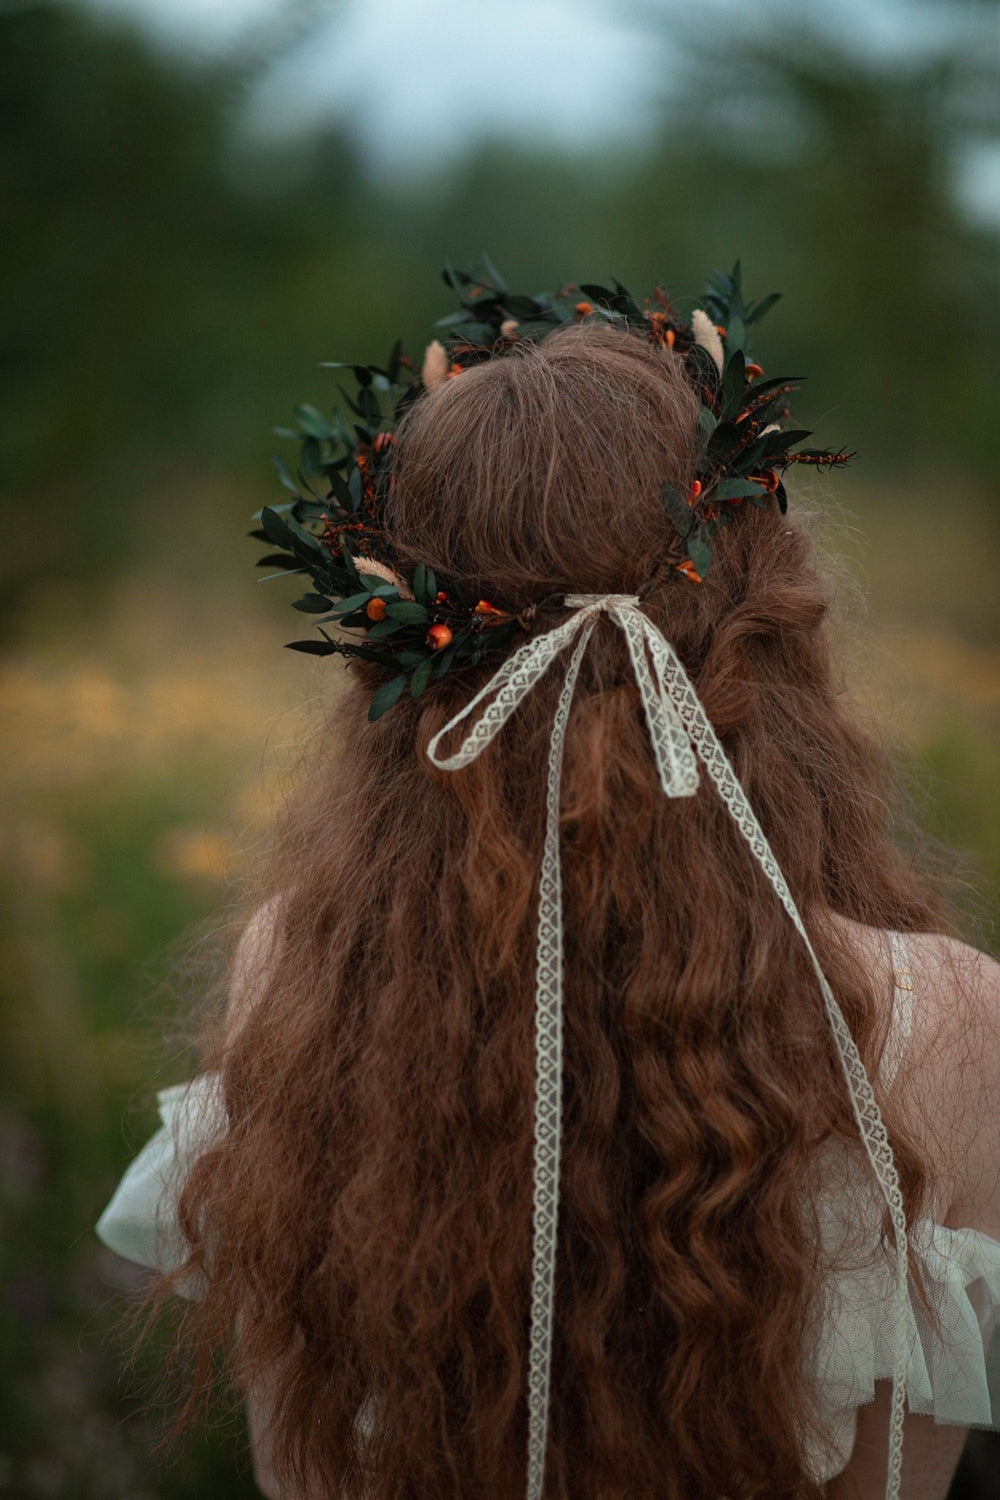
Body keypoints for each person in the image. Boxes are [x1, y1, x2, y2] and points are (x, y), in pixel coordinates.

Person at [96, 268, 1000, 1500]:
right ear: (767, 620)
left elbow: (300, 1474)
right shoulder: (943, 1024)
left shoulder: (296, 976)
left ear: (391, 640)